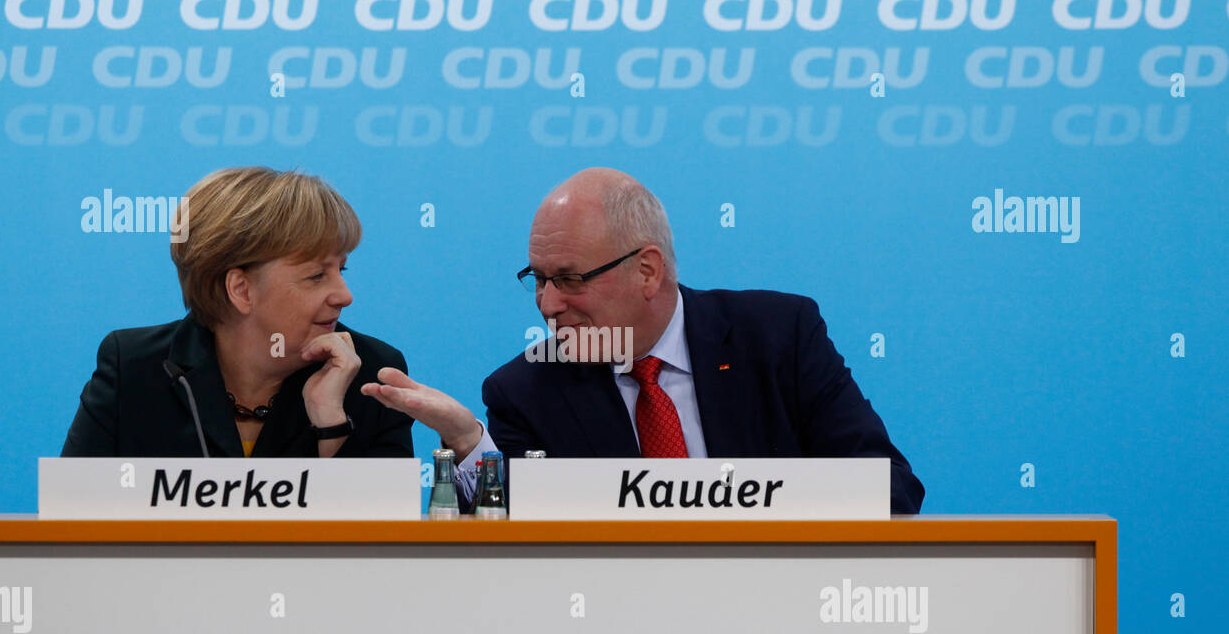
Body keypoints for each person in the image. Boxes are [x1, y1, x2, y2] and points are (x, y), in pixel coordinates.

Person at [362, 167, 925, 514]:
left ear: (648, 271)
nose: (547, 303)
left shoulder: (777, 336)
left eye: (570, 279)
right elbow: (519, 535)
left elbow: (890, 490)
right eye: (537, 279)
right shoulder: (529, 387)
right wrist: (468, 442)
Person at [61, 166, 422, 461]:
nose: (345, 296)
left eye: (341, 270)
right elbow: (71, 523)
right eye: (316, 275)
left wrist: (331, 426)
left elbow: (380, 544)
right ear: (241, 290)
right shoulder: (135, 367)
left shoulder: (373, 374)